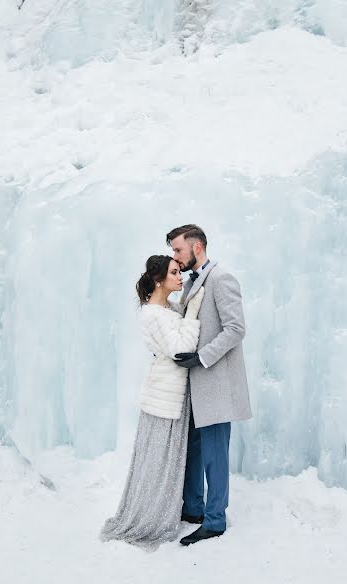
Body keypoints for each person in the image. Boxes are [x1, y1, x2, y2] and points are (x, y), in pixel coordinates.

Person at [100, 255, 205, 551]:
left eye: (179, 271)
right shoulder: (152, 314)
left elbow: (180, 331)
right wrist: (194, 308)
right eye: (174, 273)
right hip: (164, 391)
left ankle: (165, 509)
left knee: (170, 456)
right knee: (159, 457)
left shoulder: (167, 308)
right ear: (158, 280)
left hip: (174, 389)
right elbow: (180, 348)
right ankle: (149, 516)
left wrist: (186, 309)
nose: (180, 276)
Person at [167, 224, 252, 546]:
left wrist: (201, 357)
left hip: (215, 383)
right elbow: (191, 320)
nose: (174, 256)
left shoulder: (221, 278)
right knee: (192, 448)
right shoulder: (193, 282)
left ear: (197, 247)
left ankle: (215, 521)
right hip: (194, 385)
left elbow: (235, 329)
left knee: (214, 454)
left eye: (178, 250)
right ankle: (193, 509)